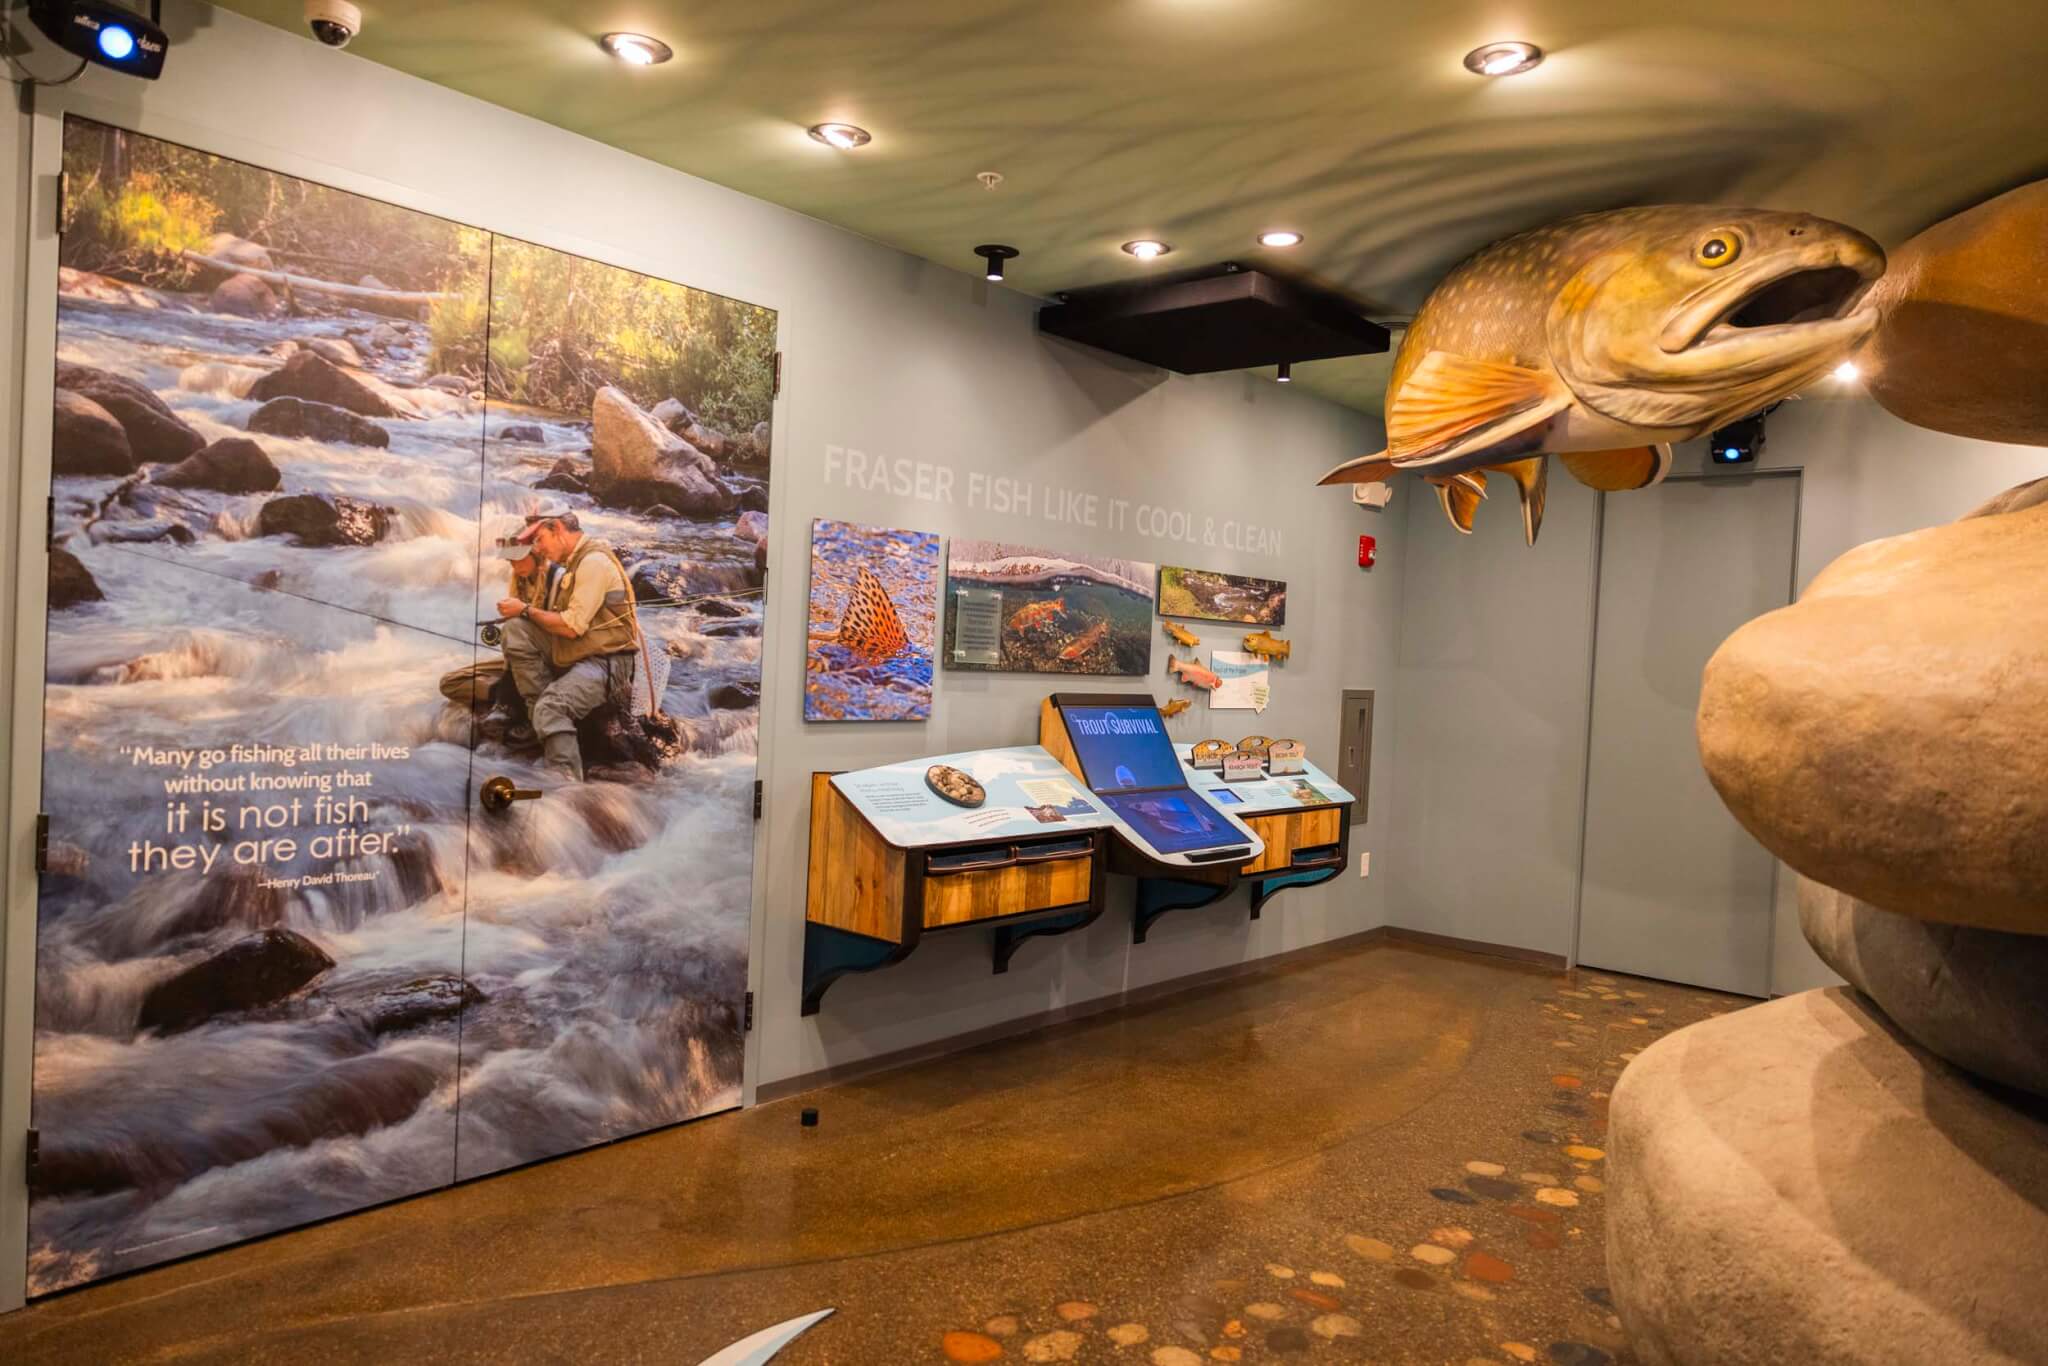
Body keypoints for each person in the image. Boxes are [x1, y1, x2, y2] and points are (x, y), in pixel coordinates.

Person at [495, 503, 640, 781]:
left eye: (540, 539)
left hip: (606, 661)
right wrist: (522, 615)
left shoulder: (593, 562)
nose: (538, 548)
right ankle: (543, 722)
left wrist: (525, 610)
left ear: (558, 529)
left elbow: (572, 627)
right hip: (579, 651)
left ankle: (566, 787)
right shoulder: (574, 562)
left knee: (551, 708)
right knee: (515, 629)